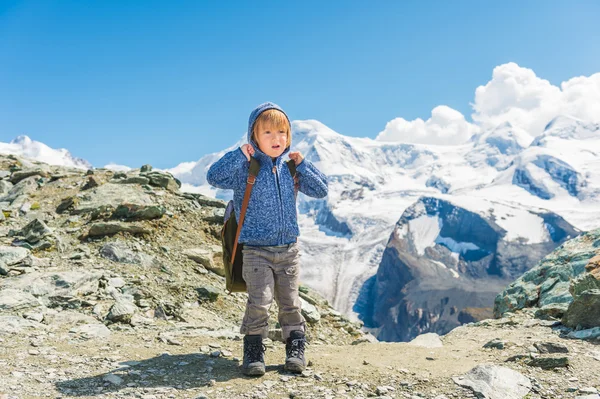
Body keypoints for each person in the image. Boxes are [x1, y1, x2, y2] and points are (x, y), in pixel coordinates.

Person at [206, 102, 328, 376]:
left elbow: (321, 190)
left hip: (288, 250)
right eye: (269, 133)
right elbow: (213, 176)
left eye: (282, 133)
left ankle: (295, 347)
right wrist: (239, 155)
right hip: (256, 250)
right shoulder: (245, 167)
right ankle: (253, 349)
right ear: (254, 137)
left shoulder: (290, 169)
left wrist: (303, 165)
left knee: (290, 302)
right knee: (258, 301)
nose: (277, 139)